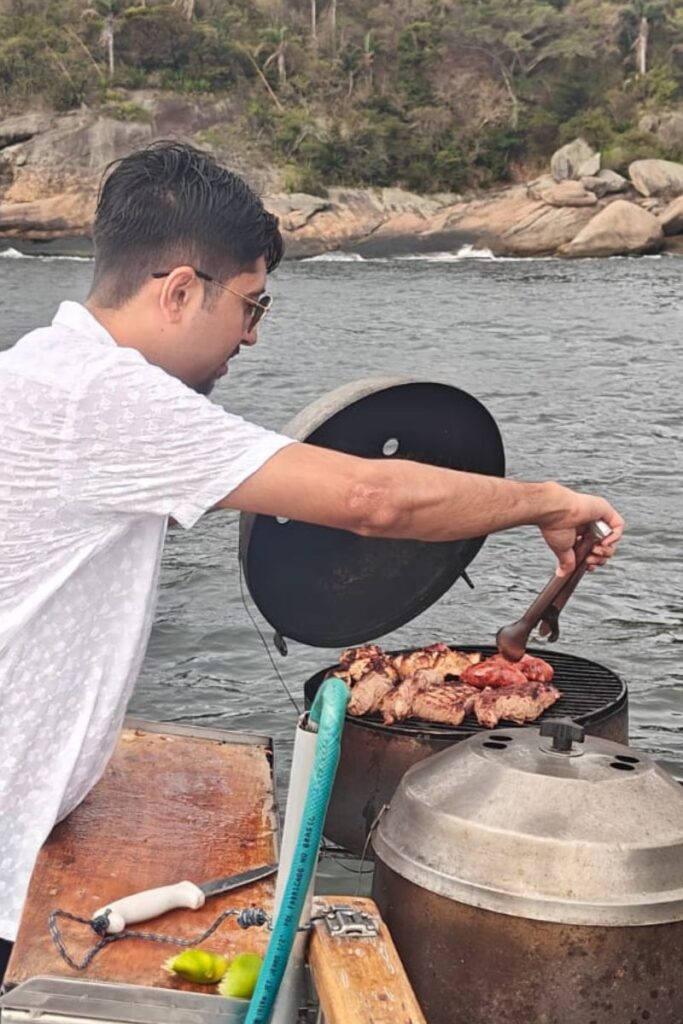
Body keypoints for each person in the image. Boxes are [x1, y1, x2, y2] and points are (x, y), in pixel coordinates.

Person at [0, 141, 623, 977]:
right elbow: (373, 500)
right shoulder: (103, 398)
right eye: (252, 307)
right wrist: (547, 500)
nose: (251, 339)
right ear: (181, 290)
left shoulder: (46, 375)